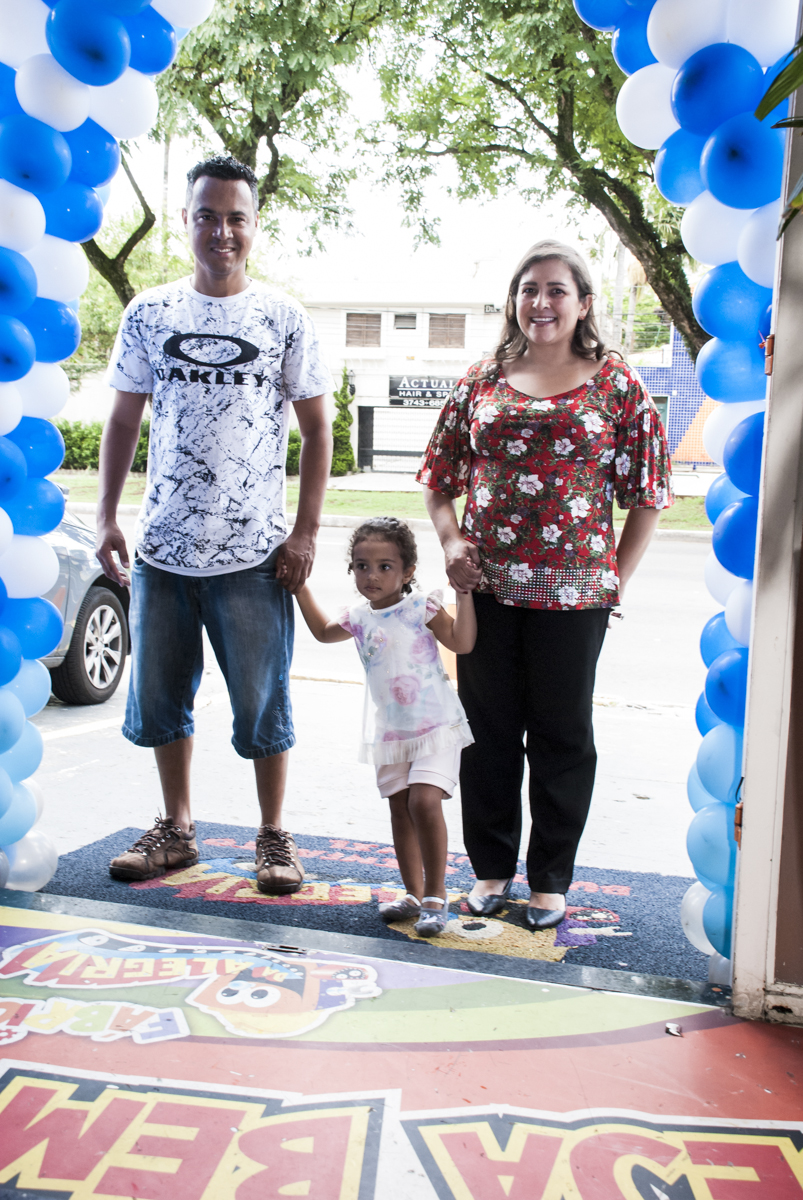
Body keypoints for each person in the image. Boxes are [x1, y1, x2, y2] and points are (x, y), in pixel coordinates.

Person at [418, 239, 672, 931]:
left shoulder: (616, 383)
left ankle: (550, 880)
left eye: (557, 290)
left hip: (574, 595)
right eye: (529, 289)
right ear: (514, 301)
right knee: (487, 732)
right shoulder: (482, 379)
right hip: (486, 590)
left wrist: (613, 578)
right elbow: (439, 480)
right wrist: (452, 542)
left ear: (583, 303)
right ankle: (490, 870)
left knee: (562, 735)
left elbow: (647, 494)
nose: (541, 302)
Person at [98, 155, 333, 895]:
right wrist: (106, 515)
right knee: (161, 702)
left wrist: (304, 532)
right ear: (186, 220)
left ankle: (273, 835)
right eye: (207, 216)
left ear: (255, 226)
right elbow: (122, 419)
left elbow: (317, 431)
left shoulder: (283, 318)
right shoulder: (149, 313)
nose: (221, 231)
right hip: (163, 550)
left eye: (236, 218)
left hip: (253, 555)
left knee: (264, 704)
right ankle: (177, 829)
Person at [295, 517, 477, 936]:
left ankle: (436, 896)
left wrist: (464, 595)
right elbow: (322, 633)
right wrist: (299, 587)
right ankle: (413, 893)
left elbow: (462, 643)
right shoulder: (358, 618)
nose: (371, 576)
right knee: (399, 807)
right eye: (361, 566)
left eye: (384, 567)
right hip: (392, 733)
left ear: (408, 571)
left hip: (436, 726)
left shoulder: (421, 607)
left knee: (424, 803)